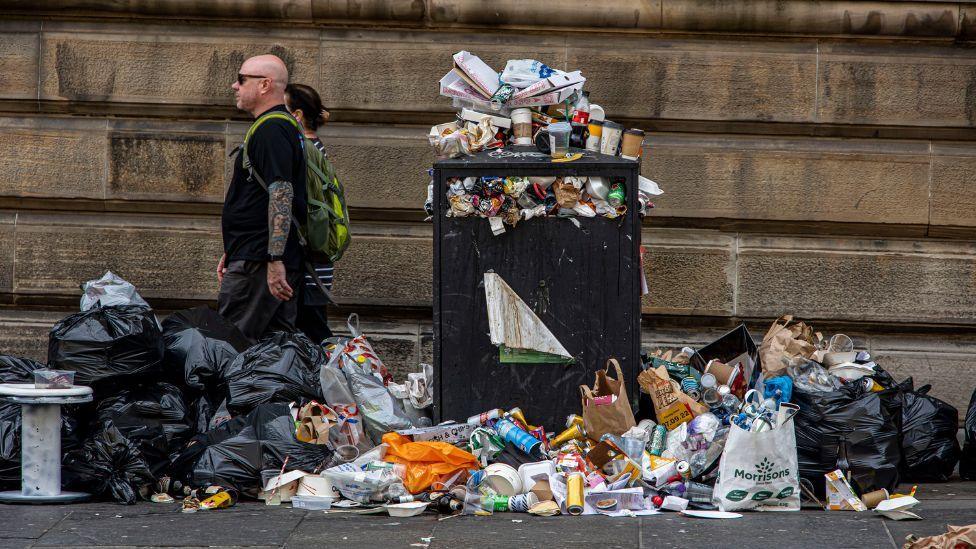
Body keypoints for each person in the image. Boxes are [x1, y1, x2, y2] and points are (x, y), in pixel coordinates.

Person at [217, 54, 307, 342]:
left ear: (265, 84)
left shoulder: (272, 128)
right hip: (255, 254)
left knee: (233, 345)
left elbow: (281, 193)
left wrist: (274, 257)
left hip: (259, 262)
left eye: (242, 79)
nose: (235, 85)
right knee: (273, 350)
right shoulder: (277, 126)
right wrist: (234, 249)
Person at [284, 83, 334, 343]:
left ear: (297, 115)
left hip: (308, 265)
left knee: (314, 338)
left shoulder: (304, 149)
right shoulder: (315, 147)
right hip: (317, 263)